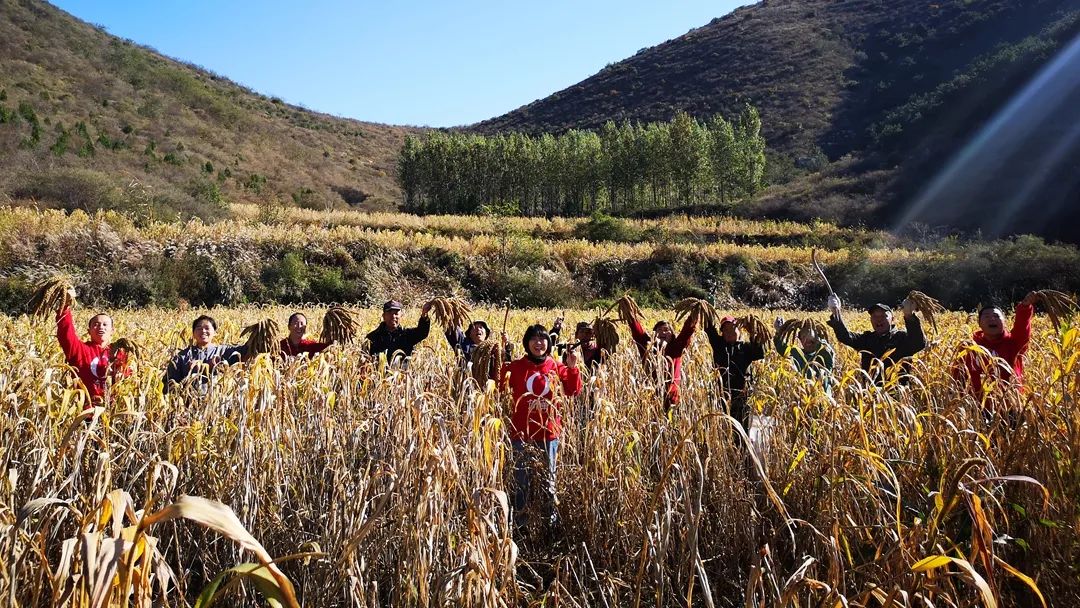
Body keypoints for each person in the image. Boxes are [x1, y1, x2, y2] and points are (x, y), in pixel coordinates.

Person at [499, 324, 582, 534]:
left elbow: (573, 391)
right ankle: (520, 525)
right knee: (521, 482)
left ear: (549, 343)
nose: (539, 343)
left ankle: (549, 526)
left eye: (543, 339)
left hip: (548, 434)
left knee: (548, 482)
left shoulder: (556, 366)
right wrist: (501, 358)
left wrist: (572, 367)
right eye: (534, 339)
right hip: (521, 433)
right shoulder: (516, 366)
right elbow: (499, 386)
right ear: (526, 343)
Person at [827, 295, 926, 384]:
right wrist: (836, 312)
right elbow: (845, 337)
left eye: (883, 316)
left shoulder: (902, 338)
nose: (879, 319)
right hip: (871, 395)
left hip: (897, 394)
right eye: (874, 316)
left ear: (892, 319)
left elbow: (918, 343)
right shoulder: (866, 339)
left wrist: (909, 316)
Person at [954, 292, 1037, 397]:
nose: (992, 319)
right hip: (976, 405)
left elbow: (1022, 327)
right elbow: (958, 377)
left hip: (1010, 404)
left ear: (1004, 322)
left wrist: (1024, 307)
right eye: (986, 316)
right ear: (979, 323)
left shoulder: (1014, 343)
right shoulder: (968, 347)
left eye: (996, 316)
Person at [55, 306, 131, 407]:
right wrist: (64, 307)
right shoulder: (79, 349)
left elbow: (130, 380)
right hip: (85, 410)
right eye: (96, 324)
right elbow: (66, 333)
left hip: (114, 411)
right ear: (89, 331)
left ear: (112, 330)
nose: (101, 327)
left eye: (105, 324)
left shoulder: (120, 353)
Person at [704, 316, 766, 430]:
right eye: (725, 330)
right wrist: (704, 310)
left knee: (742, 429)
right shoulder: (718, 345)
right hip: (722, 395)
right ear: (722, 333)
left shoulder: (746, 347)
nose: (729, 332)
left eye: (732, 328)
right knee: (723, 428)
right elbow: (709, 327)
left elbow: (759, 353)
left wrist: (753, 332)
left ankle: (742, 442)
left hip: (742, 396)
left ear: (739, 330)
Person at [626, 314, 697, 410]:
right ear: (654, 334)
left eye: (666, 330)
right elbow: (637, 332)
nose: (663, 332)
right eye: (659, 330)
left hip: (672, 399)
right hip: (650, 399)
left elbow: (687, 332)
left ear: (672, 335)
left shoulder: (676, 348)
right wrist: (630, 314)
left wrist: (694, 315)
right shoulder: (648, 348)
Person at [164, 315, 244, 394]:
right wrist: (191, 372)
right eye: (199, 328)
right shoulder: (182, 357)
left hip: (217, 400)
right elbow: (168, 385)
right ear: (193, 333)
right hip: (188, 401)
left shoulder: (223, 351)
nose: (203, 331)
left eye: (207, 328)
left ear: (215, 332)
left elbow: (247, 350)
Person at [773, 316, 835, 395]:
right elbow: (782, 349)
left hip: (824, 399)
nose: (806, 342)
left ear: (817, 338)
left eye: (810, 340)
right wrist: (779, 331)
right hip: (805, 399)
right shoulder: (798, 354)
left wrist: (815, 336)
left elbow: (826, 348)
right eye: (803, 338)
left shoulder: (824, 353)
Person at [365, 300, 431, 364]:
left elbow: (422, 332)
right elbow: (365, 360)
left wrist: (424, 314)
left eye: (396, 314)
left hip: (402, 371)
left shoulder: (407, 335)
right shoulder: (372, 338)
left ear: (401, 315)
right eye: (389, 313)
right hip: (379, 371)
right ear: (383, 316)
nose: (393, 316)